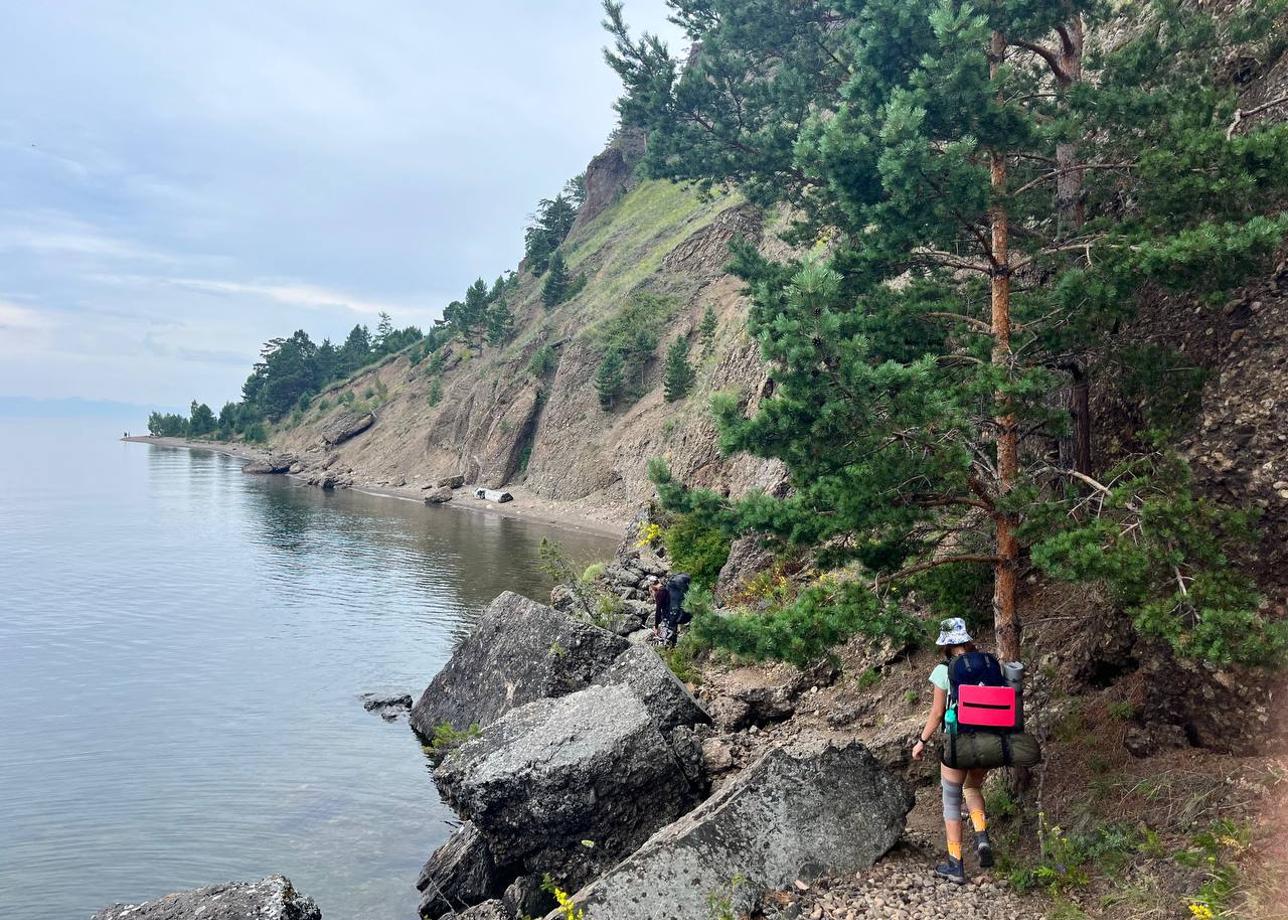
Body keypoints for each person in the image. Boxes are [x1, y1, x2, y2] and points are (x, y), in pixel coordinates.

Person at [910, 617, 994, 884]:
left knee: (951, 801)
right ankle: (982, 838)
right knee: (973, 788)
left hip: (959, 743)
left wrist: (921, 741)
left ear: (945, 644)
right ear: (966, 639)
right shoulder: (989, 663)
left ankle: (955, 864)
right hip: (990, 740)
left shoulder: (943, 670)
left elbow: (936, 713)